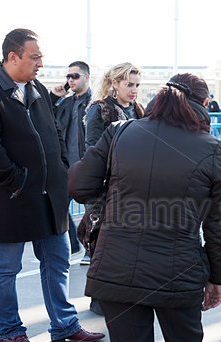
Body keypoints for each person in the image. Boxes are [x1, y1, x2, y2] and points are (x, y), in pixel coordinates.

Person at [69, 73, 221, 342]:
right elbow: (220, 223)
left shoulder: (120, 132)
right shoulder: (208, 147)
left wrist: (115, 202)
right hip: (178, 274)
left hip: (116, 271)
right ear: (202, 105)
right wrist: (217, 276)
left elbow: (80, 185)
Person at [0, 28, 105, 342]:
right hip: (11, 198)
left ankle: (65, 324)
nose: (41, 62)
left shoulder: (37, 89)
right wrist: (18, 180)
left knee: (58, 262)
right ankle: (10, 330)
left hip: (50, 196)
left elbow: (54, 132)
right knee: (5, 268)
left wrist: (61, 170)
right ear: (13, 56)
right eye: (35, 56)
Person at [83, 62, 144, 314]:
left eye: (137, 85)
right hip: (105, 187)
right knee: (102, 242)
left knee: (128, 244)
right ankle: (99, 299)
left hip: (132, 187)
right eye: (129, 84)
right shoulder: (101, 110)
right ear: (114, 84)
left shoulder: (138, 110)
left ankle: (123, 294)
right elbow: (93, 149)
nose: (134, 90)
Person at [50, 61, 93, 256]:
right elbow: (45, 118)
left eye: (74, 76)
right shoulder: (65, 103)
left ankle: (90, 251)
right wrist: (54, 98)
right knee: (57, 207)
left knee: (92, 212)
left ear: (86, 77)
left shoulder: (96, 103)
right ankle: (73, 244)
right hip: (66, 167)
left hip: (88, 166)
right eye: (68, 76)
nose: (70, 80)